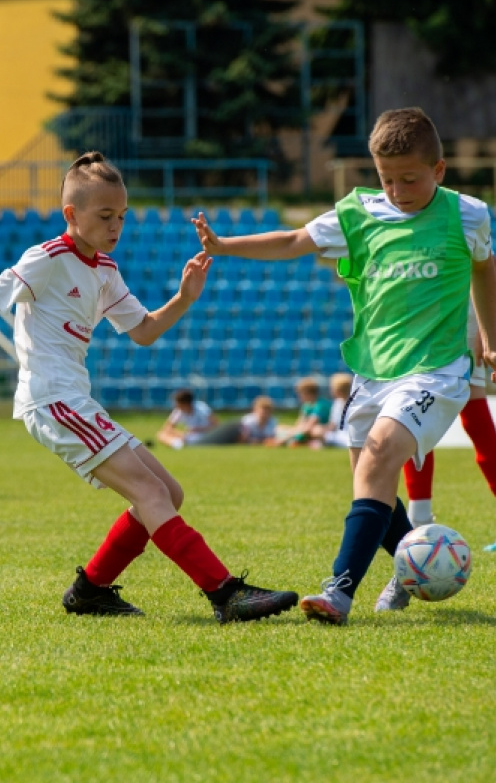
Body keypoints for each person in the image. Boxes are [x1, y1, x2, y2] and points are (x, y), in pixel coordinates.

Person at [0, 150, 298, 623]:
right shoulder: (47, 258)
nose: (116, 226)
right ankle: (224, 593)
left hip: (75, 400)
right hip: (51, 400)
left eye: (122, 217)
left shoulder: (106, 270)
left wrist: (183, 298)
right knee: (151, 495)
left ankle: (90, 590)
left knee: (168, 493)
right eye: (105, 215)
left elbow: (146, 331)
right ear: (71, 215)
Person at [193, 107, 496, 624]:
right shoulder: (357, 214)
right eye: (387, 179)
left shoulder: (466, 214)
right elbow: (293, 241)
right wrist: (225, 246)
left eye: (410, 179)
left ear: (439, 171)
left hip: (435, 371)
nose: (398, 190)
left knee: (378, 457)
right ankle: (415, 568)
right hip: (372, 371)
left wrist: (490, 339)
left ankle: (339, 591)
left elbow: (484, 270)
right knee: (368, 481)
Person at [402, 308, 496, 551]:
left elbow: (484, 272)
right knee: (417, 415)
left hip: (459, 321)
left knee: (473, 422)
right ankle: (418, 521)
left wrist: (486, 337)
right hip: (421, 320)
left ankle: (417, 522)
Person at [274, 377, 332, 447]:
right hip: (305, 430)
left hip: (322, 430)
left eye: (300, 393)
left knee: (316, 430)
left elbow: (310, 426)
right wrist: (292, 432)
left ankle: (304, 441)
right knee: (279, 428)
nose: (299, 396)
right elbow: (299, 423)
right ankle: (299, 441)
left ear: (307, 393)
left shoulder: (321, 405)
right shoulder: (306, 405)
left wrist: (286, 438)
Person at [155, 389, 220, 449]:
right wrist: (180, 434)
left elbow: (216, 425)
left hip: (204, 435)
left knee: (163, 435)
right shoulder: (179, 410)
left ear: (185, 403)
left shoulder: (201, 408)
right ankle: (179, 445)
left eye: (177, 403)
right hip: (189, 436)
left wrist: (199, 429)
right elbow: (168, 427)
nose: (175, 405)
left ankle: (180, 445)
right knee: (161, 434)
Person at [309, 372, 353, 449]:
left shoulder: (354, 404)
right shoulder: (337, 403)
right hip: (338, 434)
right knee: (317, 430)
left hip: (350, 436)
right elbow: (333, 425)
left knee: (319, 432)